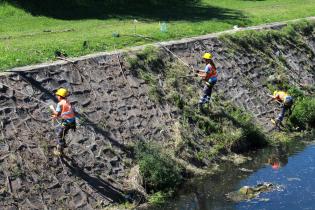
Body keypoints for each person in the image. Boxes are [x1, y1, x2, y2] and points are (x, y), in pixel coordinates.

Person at [49, 88, 76, 156]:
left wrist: (52, 108)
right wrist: (56, 116)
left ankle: (59, 151)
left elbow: (57, 114)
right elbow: (64, 112)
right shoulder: (67, 101)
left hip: (66, 122)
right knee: (63, 134)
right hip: (72, 121)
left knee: (59, 136)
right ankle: (62, 144)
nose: (57, 97)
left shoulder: (60, 104)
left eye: (57, 95)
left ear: (60, 96)